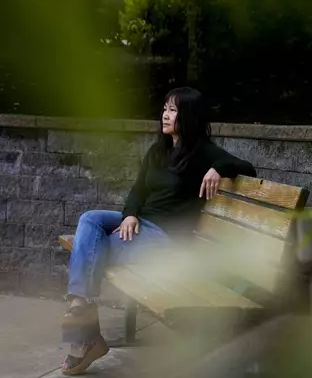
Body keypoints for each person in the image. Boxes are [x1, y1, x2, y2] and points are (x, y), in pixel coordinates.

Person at [60, 87, 256, 375]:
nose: (165, 114)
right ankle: (81, 305)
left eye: (173, 109)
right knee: (90, 220)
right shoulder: (158, 150)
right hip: (142, 225)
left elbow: (248, 168)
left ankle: (85, 334)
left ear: (188, 116)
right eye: (165, 108)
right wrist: (129, 215)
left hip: (166, 238)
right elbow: (138, 190)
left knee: (88, 248)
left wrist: (219, 168)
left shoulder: (202, 152)